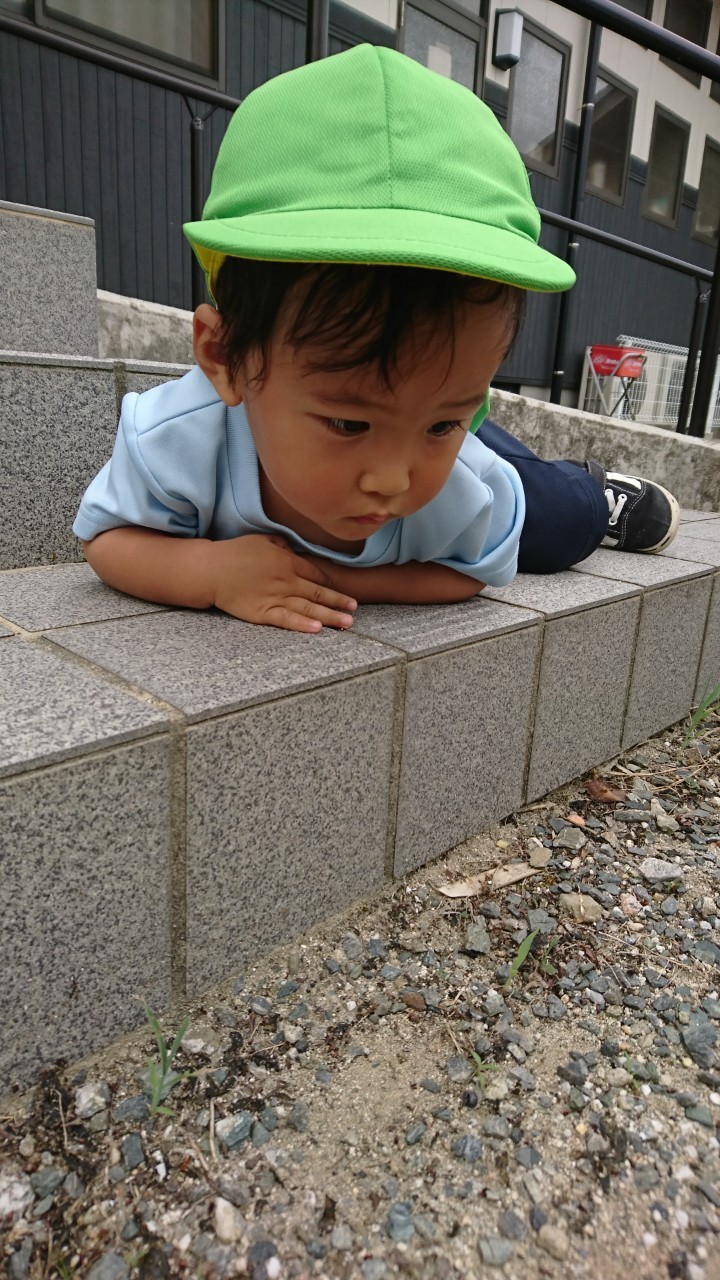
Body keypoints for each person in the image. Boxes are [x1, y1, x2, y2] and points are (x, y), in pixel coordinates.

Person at [74, 45, 679, 634]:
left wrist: (331, 577)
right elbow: (107, 538)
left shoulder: (466, 485)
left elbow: (469, 574)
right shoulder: (176, 438)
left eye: (443, 421)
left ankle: (593, 489)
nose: (392, 481)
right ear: (225, 358)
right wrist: (209, 572)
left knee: (559, 525)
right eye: (348, 423)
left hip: (494, 471)